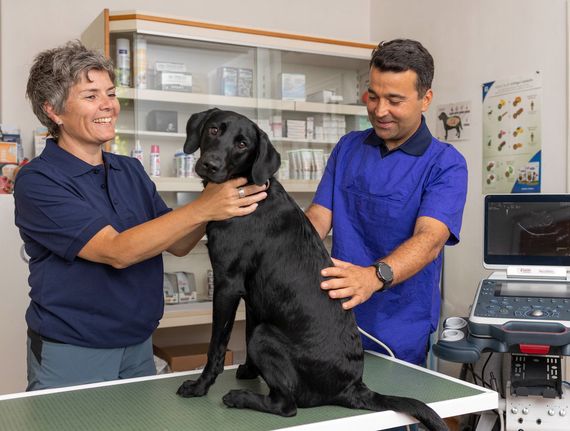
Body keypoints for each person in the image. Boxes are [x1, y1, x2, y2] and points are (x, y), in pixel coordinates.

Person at [14, 40, 268, 391]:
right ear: (54, 111)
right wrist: (206, 206)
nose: (108, 105)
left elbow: (179, 242)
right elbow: (116, 251)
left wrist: (221, 191)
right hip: (73, 350)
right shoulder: (38, 180)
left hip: (138, 345)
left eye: (111, 93)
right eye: (91, 96)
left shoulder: (129, 170)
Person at [306, 39, 468, 367]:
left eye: (394, 100)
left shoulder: (445, 164)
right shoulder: (348, 148)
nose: (379, 111)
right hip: (332, 317)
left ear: (425, 99)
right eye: (374, 96)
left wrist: (373, 277)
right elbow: (318, 218)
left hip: (397, 328)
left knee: (392, 415)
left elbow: (429, 240)